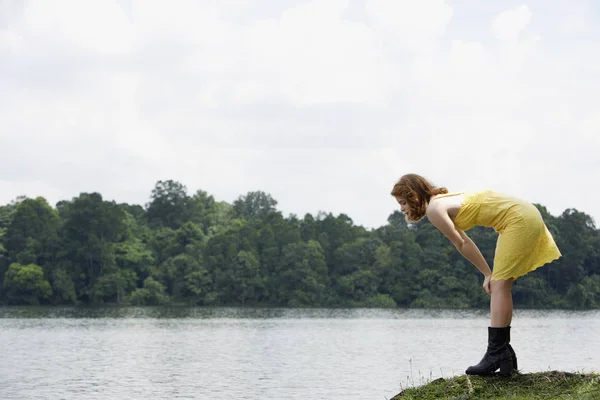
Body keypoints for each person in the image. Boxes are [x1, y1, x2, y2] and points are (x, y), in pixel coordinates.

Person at [390, 173, 562, 377]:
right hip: (522, 215)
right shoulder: (442, 200)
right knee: (501, 285)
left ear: (414, 196)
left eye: (402, 202)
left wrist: (488, 274)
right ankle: (505, 355)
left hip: (518, 219)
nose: (401, 208)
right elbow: (466, 241)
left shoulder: (435, 209)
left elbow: (461, 243)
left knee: (499, 285)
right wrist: (487, 273)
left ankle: (496, 353)